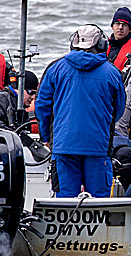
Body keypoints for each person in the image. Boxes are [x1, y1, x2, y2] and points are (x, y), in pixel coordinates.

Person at [35, 24, 125, 198]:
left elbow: (42, 107)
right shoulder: (112, 73)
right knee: (99, 205)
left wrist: (46, 137)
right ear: (102, 45)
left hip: (63, 145)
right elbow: (119, 109)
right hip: (98, 146)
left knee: (65, 202)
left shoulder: (55, 69)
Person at [104, 6, 131, 71]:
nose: (120, 27)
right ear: (112, 27)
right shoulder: (102, 44)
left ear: (130, 29)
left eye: (124, 25)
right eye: (117, 24)